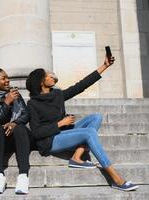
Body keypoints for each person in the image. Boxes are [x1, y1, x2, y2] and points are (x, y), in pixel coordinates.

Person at [25, 55, 139, 191]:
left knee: (96, 117)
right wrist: (60, 124)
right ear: (40, 82)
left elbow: (81, 86)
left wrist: (105, 66)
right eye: (47, 75)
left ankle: (77, 156)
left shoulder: (57, 95)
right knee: (89, 132)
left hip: (64, 132)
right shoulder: (32, 104)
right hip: (50, 141)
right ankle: (116, 179)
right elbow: (37, 133)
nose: (51, 76)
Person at [0, 68, 32, 194]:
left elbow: (26, 115)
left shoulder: (15, 94)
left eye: (7, 77)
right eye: (3, 78)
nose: (7, 80)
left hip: (19, 137)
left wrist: (14, 123)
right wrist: (7, 103)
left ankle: (23, 176)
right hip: (2, 140)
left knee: (20, 127)